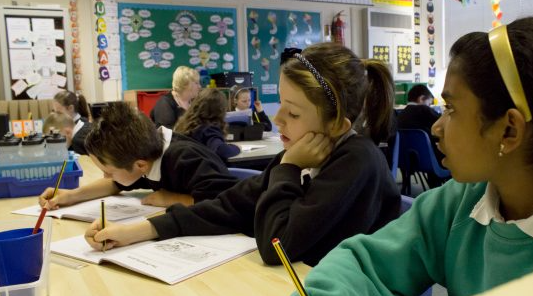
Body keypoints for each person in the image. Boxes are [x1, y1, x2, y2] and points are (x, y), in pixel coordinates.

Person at [285, 17, 533, 296]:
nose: (438, 127)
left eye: (451, 109)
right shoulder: (460, 204)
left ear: (509, 131)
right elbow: (361, 262)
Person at [83, 43, 401, 267]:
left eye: (291, 113)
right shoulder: (304, 154)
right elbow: (227, 207)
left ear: (336, 125)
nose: (277, 121)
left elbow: (278, 247)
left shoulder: (355, 162)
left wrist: (288, 168)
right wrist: (138, 231)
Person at [39, 102, 238, 210]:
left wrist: (174, 198)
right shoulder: (145, 153)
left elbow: (228, 201)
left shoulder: (184, 158)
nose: (106, 177)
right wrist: (70, 195)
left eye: (108, 172)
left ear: (140, 165)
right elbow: (117, 183)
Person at [396, 84, 447, 189]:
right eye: (429, 102)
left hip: (408, 162)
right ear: (421, 99)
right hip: (431, 161)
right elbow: (446, 125)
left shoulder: (400, 114)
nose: (429, 105)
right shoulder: (424, 110)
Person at [174, 88, 241, 162]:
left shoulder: (184, 124)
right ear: (220, 110)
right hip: (202, 171)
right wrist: (236, 148)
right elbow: (221, 150)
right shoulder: (208, 129)